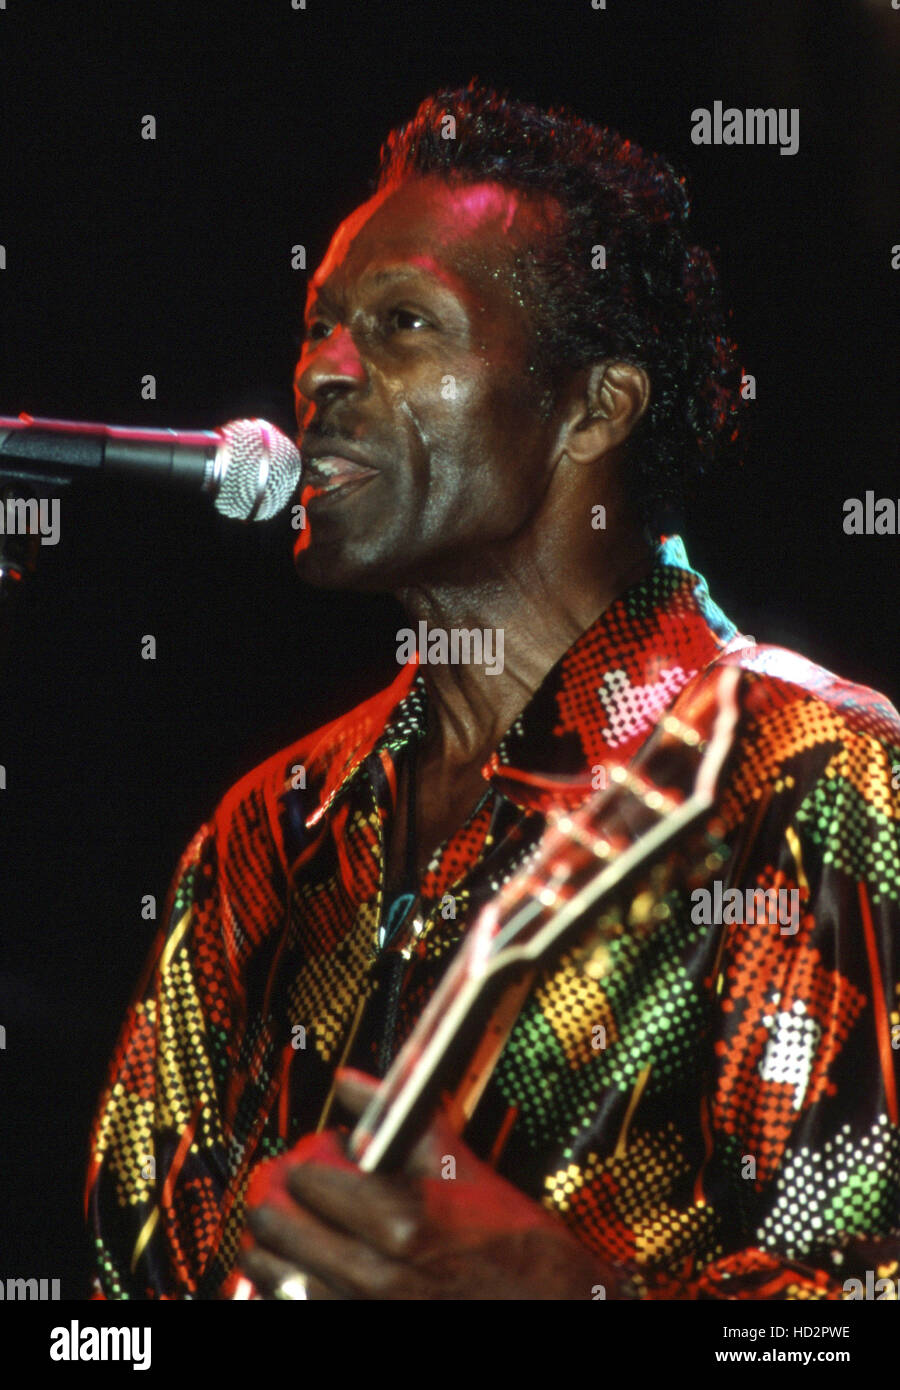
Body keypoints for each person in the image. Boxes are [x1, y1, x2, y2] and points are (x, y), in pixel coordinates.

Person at [86, 82, 900, 1300]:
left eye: (404, 324)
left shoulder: (791, 771)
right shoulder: (268, 827)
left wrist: (568, 1297)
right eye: (319, 327)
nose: (321, 374)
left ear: (594, 408)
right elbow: (119, 1288)